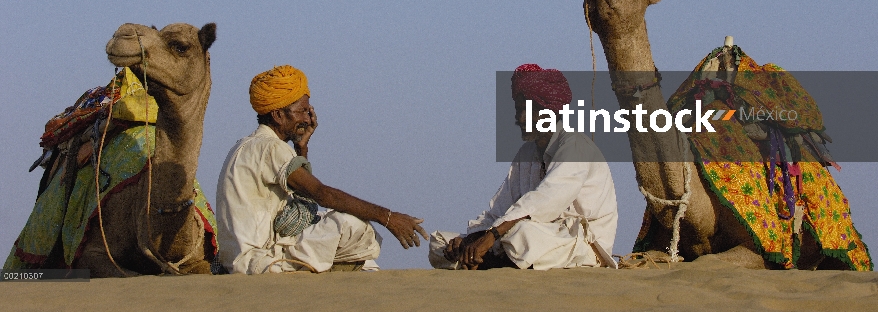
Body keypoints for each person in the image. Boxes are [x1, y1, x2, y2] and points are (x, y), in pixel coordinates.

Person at [217, 65, 427, 274]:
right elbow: (321, 194)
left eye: (309, 112)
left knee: (360, 253)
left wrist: (301, 148)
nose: (307, 119)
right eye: (301, 112)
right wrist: (387, 217)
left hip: (241, 260)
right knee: (352, 226)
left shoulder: (247, 145)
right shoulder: (269, 147)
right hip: (258, 262)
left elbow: (301, 203)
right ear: (278, 115)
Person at [429, 64, 618, 270]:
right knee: (440, 243)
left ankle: (489, 263)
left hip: (576, 244)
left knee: (523, 235)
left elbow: (546, 200)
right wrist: (472, 240)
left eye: (527, 111)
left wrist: (491, 237)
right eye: (519, 110)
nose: (520, 119)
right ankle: (485, 261)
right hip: (527, 236)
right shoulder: (527, 153)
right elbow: (500, 209)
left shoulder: (575, 147)